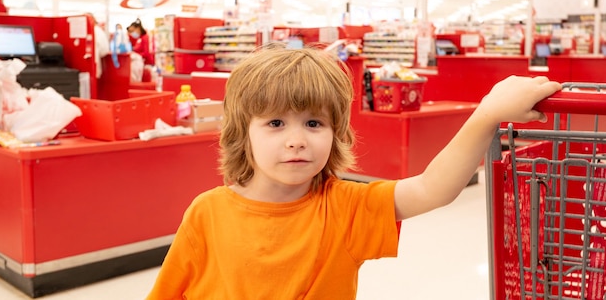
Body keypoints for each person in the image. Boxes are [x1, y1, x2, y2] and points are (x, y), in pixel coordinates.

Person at [145, 44, 561, 300]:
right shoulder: (207, 212)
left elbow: (433, 188)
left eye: (314, 123)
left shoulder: (345, 206)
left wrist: (486, 114)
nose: (297, 140)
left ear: (336, 133)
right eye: (275, 124)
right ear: (242, 133)